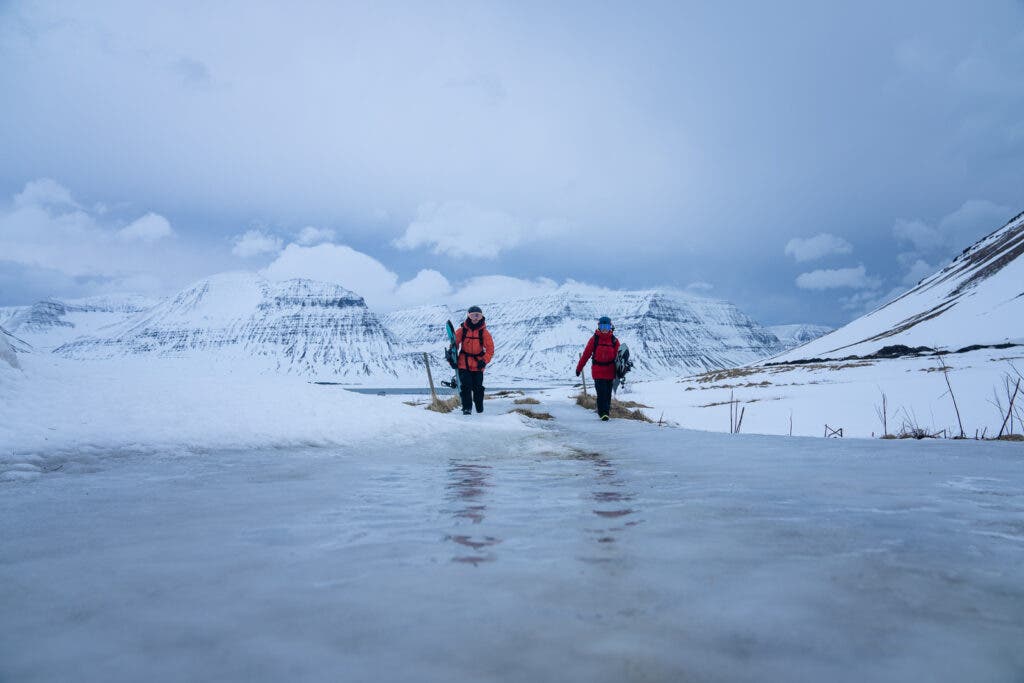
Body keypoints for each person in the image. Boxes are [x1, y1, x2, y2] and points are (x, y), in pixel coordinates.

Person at [575, 316, 620, 421]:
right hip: (598, 372)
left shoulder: (614, 341)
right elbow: (586, 355)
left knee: (608, 393)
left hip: (610, 372)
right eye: (602, 326)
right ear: (599, 327)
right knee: (601, 393)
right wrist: (579, 368)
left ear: (610, 327)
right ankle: (603, 413)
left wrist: (622, 370)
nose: (604, 329)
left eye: (607, 326)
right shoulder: (594, 339)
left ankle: (606, 413)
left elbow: (620, 356)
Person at [455, 305, 494, 415]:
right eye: (473, 315)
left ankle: (479, 407)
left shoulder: (484, 333)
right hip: (464, 363)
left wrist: (485, 360)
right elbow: (454, 346)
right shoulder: (461, 331)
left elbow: (490, 349)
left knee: (478, 388)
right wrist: (451, 358)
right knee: (466, 386)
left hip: (478, 364)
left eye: (478, 315)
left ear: (481, 317)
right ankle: (467, 408)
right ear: (468, 316)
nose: (475, 318)